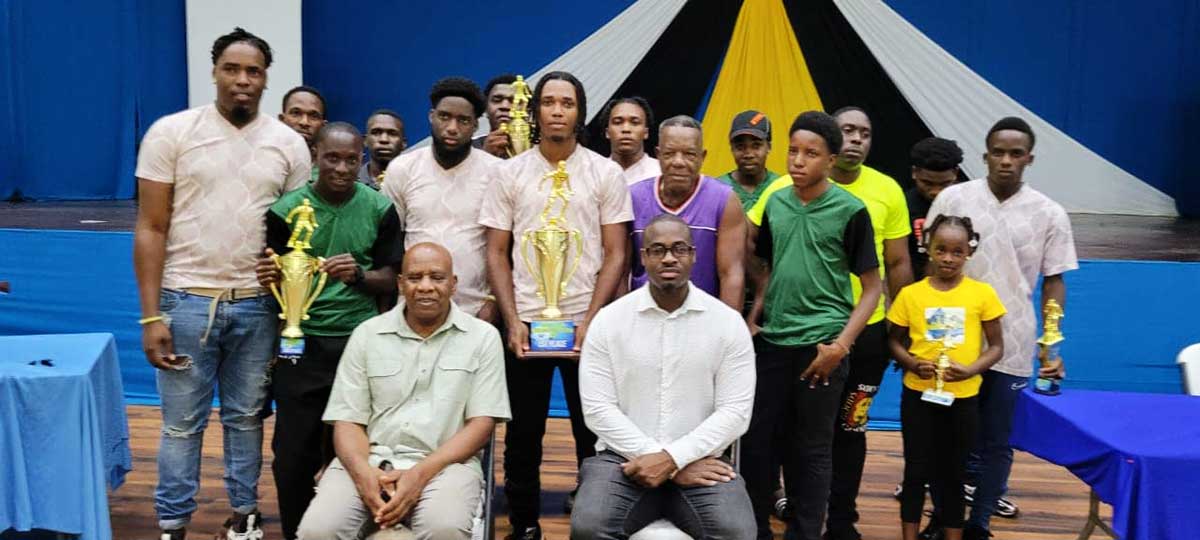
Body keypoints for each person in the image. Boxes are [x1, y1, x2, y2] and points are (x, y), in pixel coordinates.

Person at [134, 27, 310, 540]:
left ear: (265, 80)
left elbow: (297, 233)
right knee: (181, 425)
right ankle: (172, 522)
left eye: (253, 71)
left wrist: (281, 272)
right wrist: (151, 316)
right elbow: (150, 227)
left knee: (246, 419)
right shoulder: (172, 132)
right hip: (185, 302)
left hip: (258, 309)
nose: (242, 80)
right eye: (232, 69)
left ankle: (245, 516)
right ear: (213, 72)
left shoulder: (289, 144)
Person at [478, 71, 633, 540]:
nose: (558, 111)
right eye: (549, 103)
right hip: (526, 321)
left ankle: (594, 520)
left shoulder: (605, 173)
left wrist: (591, 319)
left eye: (567, 103)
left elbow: (617, 253)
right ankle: (524, 524)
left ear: (580, 112)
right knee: (524, 434)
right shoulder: (510, 173)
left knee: (594, 432)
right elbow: (495, 253)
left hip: (588, 325)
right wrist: (511, 320)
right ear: (536, 111)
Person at [923, 116, 1077, 540]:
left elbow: (1055, 280)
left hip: (1012, 342)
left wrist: (1051, 343)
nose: (1006, 161)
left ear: (1029, 158)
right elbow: (930, 266)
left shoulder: (1049, 213)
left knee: (995, 442)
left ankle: (979, 524)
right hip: (953, 342)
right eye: (998, 152)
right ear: (985, 154)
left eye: (1016, 153)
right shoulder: (954, 198)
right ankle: (944, 518)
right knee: (947, 438)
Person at [295, 243, 511, 540]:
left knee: (443, 529)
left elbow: (482, 424)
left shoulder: (482, 338)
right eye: (414, 277)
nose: (425, 287)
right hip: (370, 461)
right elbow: (347, 421)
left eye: (437, 277)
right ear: (400, 283)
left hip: (447, 466)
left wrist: (419, 474)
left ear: (453, 284)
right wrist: (363, 476)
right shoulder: (367, 334)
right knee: (317, 531)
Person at [256, 122, 404, 539]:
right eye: (332, 158)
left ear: (362, 161)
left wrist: (358, 275)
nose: (341, 167)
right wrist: (270, 275)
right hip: (299, 345)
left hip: (358, 345)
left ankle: (350, 527)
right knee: (292, 456)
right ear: (315, 157)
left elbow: (393, 277)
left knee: (353, 451)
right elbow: (278, 278)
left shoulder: (379, 208)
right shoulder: (285, 210)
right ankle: (298, 532)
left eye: (351, 160)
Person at [741, 111, 881, 540]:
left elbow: (873, 289)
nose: (798, 161)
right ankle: (756, 530)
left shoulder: (850, 210)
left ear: (832, 159)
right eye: (793, 151)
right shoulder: (777, 202)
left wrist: (840, 345)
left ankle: (804, 532)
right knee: (760, 445)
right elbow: (761, 259)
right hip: (774, 342)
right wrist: (757, 312)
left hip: (822, 347)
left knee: (813, 450)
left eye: (811, 153)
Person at [572, 214, 757, 539]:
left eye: (679, 249)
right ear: (643, 258)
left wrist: (673, 459)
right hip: (621, 461)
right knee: (589, 527)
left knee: (737, 531)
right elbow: (598, 409)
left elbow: (734, 413)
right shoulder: (609, 321)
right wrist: (660, 460)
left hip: (702, 462)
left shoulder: (727, 323)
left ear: (693, 255)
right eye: (657, 250)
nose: (669, 257)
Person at [822, 106, 913, 540]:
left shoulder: (888, 190)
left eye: (865, 133)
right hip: (811, 330)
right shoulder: (793, 186)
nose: (856, 139)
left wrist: (901, 326)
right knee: (803, 426)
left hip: (870, 334)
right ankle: (799, 505)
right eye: (847, 131)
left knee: (851, 425)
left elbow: (897, 262)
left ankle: (842, 520)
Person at [889, 215, 1005, 540]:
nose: (948, 258)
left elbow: (996, 347)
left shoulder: (982, 294)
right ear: (927, 248)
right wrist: (912, 363)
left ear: (969, 252)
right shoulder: (911, 295)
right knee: (915, 472)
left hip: (963, 398)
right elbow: (893, 341)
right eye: (941, 250)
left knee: (954, 474)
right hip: (918, 397)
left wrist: (971, 369)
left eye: (956, 251)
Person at [382, 77, 501, 322]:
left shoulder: (497, 172)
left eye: (463, 120)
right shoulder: (402, 169)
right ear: (431, 116)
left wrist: (493, 303)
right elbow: (390, 245)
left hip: (475, 311)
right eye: (445, 117)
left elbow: (503, 247)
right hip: (412, 309)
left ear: (476, 126)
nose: (452, 127)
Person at [628, 115, 744, 309]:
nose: (678, 162)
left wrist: (727, 329)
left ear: (702, 156)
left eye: (689, 154)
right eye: (669, 153)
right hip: (644, 317)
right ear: (658, 154)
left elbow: (731, 273)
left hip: (703, 319)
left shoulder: (724, 200)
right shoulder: (634, 197)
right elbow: (621, 269)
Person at [905, 137, 963, 279]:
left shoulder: (968, 203)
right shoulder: (902, 204)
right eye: (927, 183)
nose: (935, 191)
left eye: (944, 184)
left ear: (956, 173)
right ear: (914, 172)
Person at [716, 110, 783, 211]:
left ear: (768, 147)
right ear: (732, 149)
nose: (748, 154)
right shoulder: (717, 189)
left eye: (756, 146)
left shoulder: (781, 188)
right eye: (740, 147)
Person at [600, 96, 660, 185]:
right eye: (617, 122)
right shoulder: (594, 173)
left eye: (635, 122)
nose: (626, 129)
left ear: (646, 132)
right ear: (607, 132)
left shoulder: (660, 173)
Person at [279, 85, 328, 169]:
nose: (304, 122)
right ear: (282, 120)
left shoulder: (333, 170)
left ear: (323, 126)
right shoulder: (264, 159)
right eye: (296, 113)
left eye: (313, 116)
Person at [359, 110, 406, 190]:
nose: (384, 140)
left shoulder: (417, 180)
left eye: (392, 133)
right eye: (376, 133)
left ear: (403, 143)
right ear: (365, 141)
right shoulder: (351, 182)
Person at [474, 74, 517, 158]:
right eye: (497, 100)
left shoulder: (541, 149)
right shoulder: (467, 148)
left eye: (514, 101)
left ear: (528, 110)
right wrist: (485, 156)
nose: (505, 106)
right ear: (485, 108)